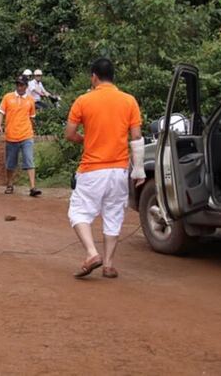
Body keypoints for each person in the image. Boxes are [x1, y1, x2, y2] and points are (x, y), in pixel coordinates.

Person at [64, 58, 145, 279]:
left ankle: (91, 253)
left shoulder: (83, 101)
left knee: (78, 210)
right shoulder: (129, 101)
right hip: (119, 170)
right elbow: (136, 138)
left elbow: (70, 134)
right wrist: (139, 171)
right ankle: (108, 264)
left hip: (92, 169)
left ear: (94, 77)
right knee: (113, 214)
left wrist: (86, 139)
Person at [0, 76, 42, 197]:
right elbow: (1, 112)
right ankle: (9, 184)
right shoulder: (8, 97)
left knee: (29, 160)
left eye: (22, 85)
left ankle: (33, 187)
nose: (19, 87)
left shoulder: (30, 100)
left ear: (26, 86)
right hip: (11, 135)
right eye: (18, 84)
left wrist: (33, 130)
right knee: (10, 163)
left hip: (26, 135)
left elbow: (32, 117)